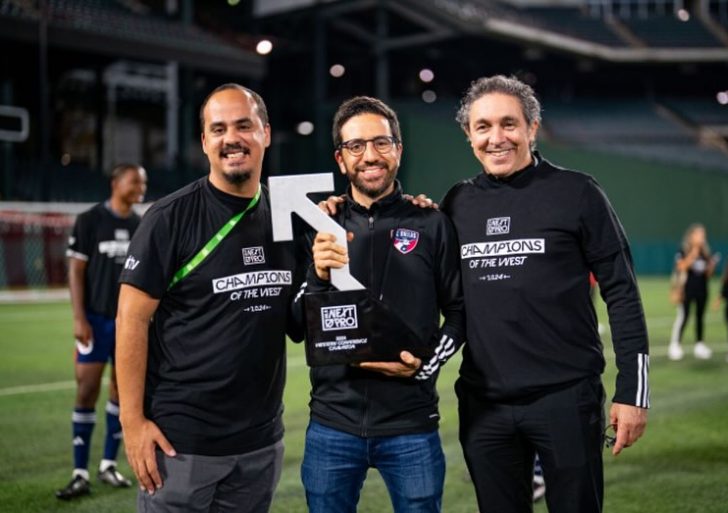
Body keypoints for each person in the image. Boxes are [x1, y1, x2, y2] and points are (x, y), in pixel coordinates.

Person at [441, 75, 650, 513]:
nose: (496, 138)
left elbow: (623, 292)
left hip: (566, 400)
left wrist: (633, 392)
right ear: (468, 135)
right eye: (483, 127)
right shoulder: (456, 203)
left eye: (508, 124)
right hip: (485, 406)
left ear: (532, 128)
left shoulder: (577, 192)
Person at [116, 83, 304, 513]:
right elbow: (131, 320)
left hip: (260, 445)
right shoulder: (169, 218)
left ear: (266, 133)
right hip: (181, 444)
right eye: (217, 129)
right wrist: (132, 422)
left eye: (243, 125)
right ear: (204, 142)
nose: (231, 138)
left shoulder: (289, 220)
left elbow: (299, 321)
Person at [295, 96, 465, 513]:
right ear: (340, 158)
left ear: (398, 150)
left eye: (381, 143)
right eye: (356, 146)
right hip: (332, 424)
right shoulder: (320, 224)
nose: (370, 156)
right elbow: (297, 324)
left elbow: (459, 314)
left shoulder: (432, 222)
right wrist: (316, 275)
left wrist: (424, 364)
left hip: (411, 424)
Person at [56, 163, 148, 500]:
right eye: (135, 180)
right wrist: (79, 318)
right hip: (95, 320)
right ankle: (79, 472)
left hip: (129, 324)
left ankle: (108, 465)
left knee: (121, 394)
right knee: (87, 389)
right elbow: (75, 272)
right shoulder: (90, 220)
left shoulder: (141, 224)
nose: (141, 186)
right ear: (116, 182)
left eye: (144, 182)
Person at [668, 223, 719, 361]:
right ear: (691, 236)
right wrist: (694, 252)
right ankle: (675, 345)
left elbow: (708, 274)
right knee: (684, 316)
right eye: (699, 234)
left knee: (700, 316)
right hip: (686, 289)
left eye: (703, 235)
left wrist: (711, 265)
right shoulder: (683, 250)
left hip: (702, 289)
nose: (702, 237)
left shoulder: (706, 252)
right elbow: (681, 266)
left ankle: (699, 345)